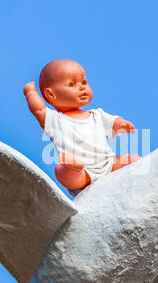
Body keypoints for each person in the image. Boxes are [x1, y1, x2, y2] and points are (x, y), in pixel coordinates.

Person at [23, 59, 140, 191]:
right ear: (51, 95)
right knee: (62, 173)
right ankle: (73, 167)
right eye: (72, 84)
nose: (82, 87)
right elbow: (39, 110)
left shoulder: (97, 115)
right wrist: (30, 92)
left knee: (133, 159)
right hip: (84, 175)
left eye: (84, 82)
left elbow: (113, 122)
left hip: (109, 165)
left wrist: (121, 124)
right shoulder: (56, 121)